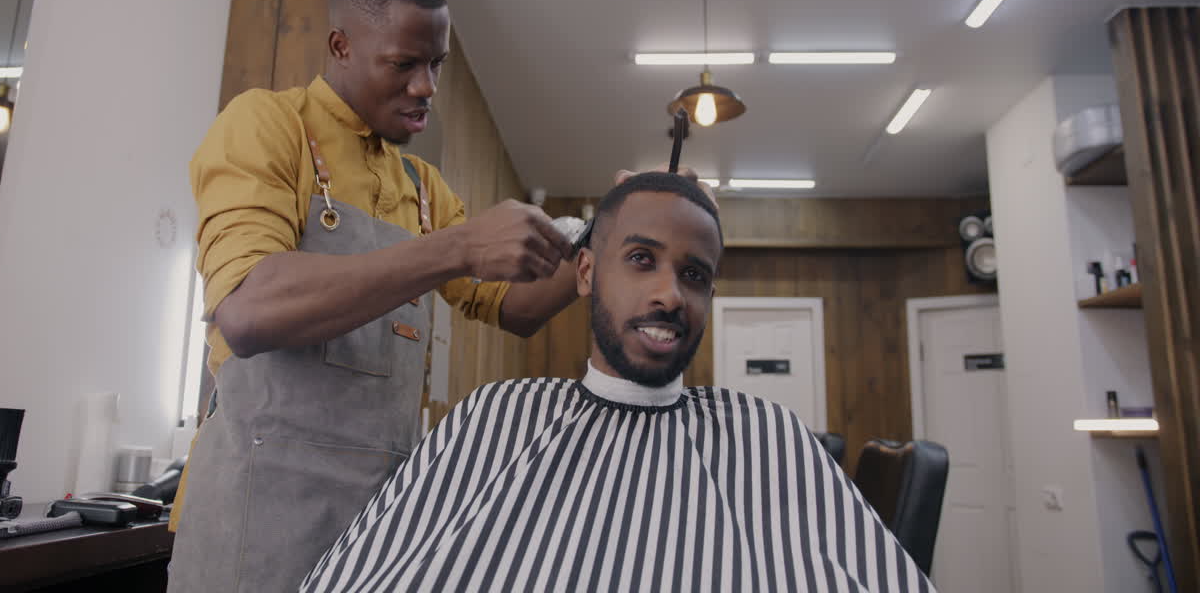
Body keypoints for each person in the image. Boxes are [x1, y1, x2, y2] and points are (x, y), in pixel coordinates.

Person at [168, 0, 591, 592]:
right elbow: (249, 307)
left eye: (437, 65)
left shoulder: (422, 188)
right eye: (404, 64)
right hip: (254, 526)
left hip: (378, 529)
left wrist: (612, 236)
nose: (426, 87)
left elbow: (519, 307)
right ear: (341, 46)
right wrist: (456, 248)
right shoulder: (267, 127)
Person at [300, 172, 935, 593]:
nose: (670, 293)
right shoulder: (499, 415)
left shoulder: (766, 434)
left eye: (695, 275)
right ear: (584, 273)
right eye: (640, 259)